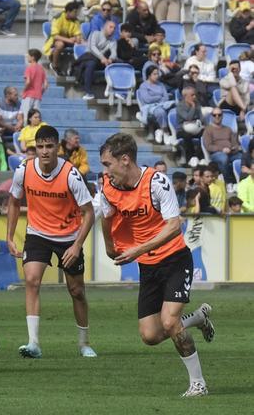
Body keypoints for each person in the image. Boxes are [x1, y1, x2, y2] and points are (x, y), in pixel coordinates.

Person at [99, 133, 215, 397]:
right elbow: (107, 214)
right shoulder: (107, 186)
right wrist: (109, 246)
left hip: (175, 259)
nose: (105, 170)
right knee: (150, 335)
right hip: (148, 267)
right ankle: (197, 318)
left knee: (170, 321)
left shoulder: (157, 183)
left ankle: (198, 383)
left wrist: (137, 249)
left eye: (108, 164)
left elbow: (174, 227)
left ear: (125, 160)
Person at [6, 125, 97, 359]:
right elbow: (14, 202)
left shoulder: (71, 175)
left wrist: (77, 245)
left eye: (49, 146)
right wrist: (9, 236)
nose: (44, 151)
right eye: (40, 147)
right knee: (32, 280)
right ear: (34, 148)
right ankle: (33, 342)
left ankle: (84, 343)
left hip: (68, 237)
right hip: (37, 234)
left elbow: (88, 212)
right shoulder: (23, 171)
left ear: (57, 148)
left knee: (76, 291)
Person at [202, 108, 241, 186]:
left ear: (222, 116)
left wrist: (233, 149)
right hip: (216, 154)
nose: (217, 117)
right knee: (223, 158)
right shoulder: (208, 130)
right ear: (212, 116)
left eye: (219, 115)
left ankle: (241, 181)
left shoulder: (228, 129)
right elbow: (208, 146)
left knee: (242, 157)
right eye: (215, 115)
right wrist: (222, 149)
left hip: (231, 153)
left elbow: (235, 144)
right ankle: (228, 182)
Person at [80, 20, 117, 100]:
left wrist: (110, 59)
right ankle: (88, 92)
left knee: (118, 63)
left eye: (114, 28)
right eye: (110, 27)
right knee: (91, 64)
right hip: (89, 58)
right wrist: (102, 58)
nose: (112, 29)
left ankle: (116, 90)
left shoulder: (113, 40)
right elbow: (92, 48)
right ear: (104, 27)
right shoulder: (95, 34)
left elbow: (114, 53)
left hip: (101, 61)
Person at [43, 1, 82, 75]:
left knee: (81, 45)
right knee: (60, 44)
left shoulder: (76, 21)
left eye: (77, 12)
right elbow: (55, 36)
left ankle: (74, 67)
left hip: (69, 41)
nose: (76, 14)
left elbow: (78, 34)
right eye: (75, 12)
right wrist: (69, 40)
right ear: (68, 11)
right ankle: (54, 65)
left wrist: (77, 38)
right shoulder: (58, 18)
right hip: (54, 41)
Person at [137, 66, 174, 145]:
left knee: (173, 110)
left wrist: (157, 99)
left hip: (162, 104)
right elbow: (147, 99)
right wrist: (159, 97)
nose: (157, 76)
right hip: (149, 107)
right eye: (154, 74)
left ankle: (162, 131)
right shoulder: (144, 86)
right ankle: (165, 131)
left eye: (157, 74)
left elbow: (166, 97)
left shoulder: (161, 85)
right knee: (160, 112)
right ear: (149, 75)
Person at [176, 87, 205, 166]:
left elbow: (201, 118)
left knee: (205, 133)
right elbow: (188, 117)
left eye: (194, 95)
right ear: (185, 96)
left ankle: (199, 157)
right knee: (187, 136)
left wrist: (197, 121)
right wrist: (192, 107)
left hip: (196, 128)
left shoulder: (197, 104)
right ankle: (190, 158)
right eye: (192, 95)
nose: (194, 97)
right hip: (182, 130)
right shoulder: (180, 106)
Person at [218, 60, 250, 130]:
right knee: (232, 89)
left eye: (236, 68)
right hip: (226, 105)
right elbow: (233, 85)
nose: (234, 70)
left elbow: (247, 99)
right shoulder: (224, 80)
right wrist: (230, 74)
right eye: (232, 69)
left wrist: (242, 110)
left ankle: (244, 108)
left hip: (239, 107)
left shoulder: (245, 83)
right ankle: (244, 108)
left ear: (240, 69)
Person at [21, 48, 47, 117]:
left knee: (26, 115)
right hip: (38, 96)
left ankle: (26, 127)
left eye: (28, 56)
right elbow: (45, 85)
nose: (27, 57)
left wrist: (23, 91)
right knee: (36, 116)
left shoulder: (29, 68)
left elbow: (28, 81)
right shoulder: (41, 68)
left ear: (32, 57)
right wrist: (40, 92)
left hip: (29, 94)